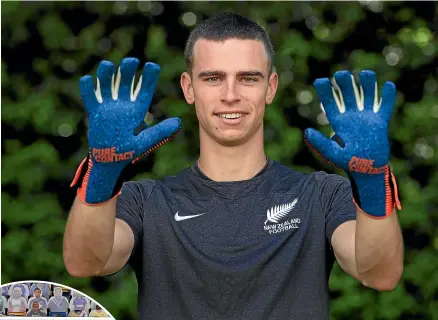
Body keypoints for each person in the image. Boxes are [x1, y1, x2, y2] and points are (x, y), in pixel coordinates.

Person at [64, 12, 404, 319]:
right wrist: (102, 173)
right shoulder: (145, 201)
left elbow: (379, 274)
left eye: (248, 78)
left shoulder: (323, 195)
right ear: (189, 87)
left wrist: (373, 184)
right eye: (212, 78)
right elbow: (86, 262)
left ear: (270, 87)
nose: (230, 94)